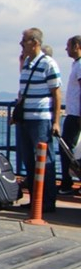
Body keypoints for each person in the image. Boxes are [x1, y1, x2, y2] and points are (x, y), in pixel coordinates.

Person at [15, 28, 61, 213]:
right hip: (26, 119)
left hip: (41, 119)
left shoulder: (48, 64)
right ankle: (35, 199)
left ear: (34, 42)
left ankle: (47, 201)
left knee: (44, 160)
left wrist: (56, 121)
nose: (21, 44)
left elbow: (56, 94)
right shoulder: (26, 63)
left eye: (24, 41)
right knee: (29, 161)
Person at [60, 35, 81, 195]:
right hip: (72, 112)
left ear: (76, 46)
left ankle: (67, 183)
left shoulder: (80, 65)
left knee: (67, 148)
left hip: (76, 114)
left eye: (68, 46)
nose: (66, 49)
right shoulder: (76, 64)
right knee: (67, 148)